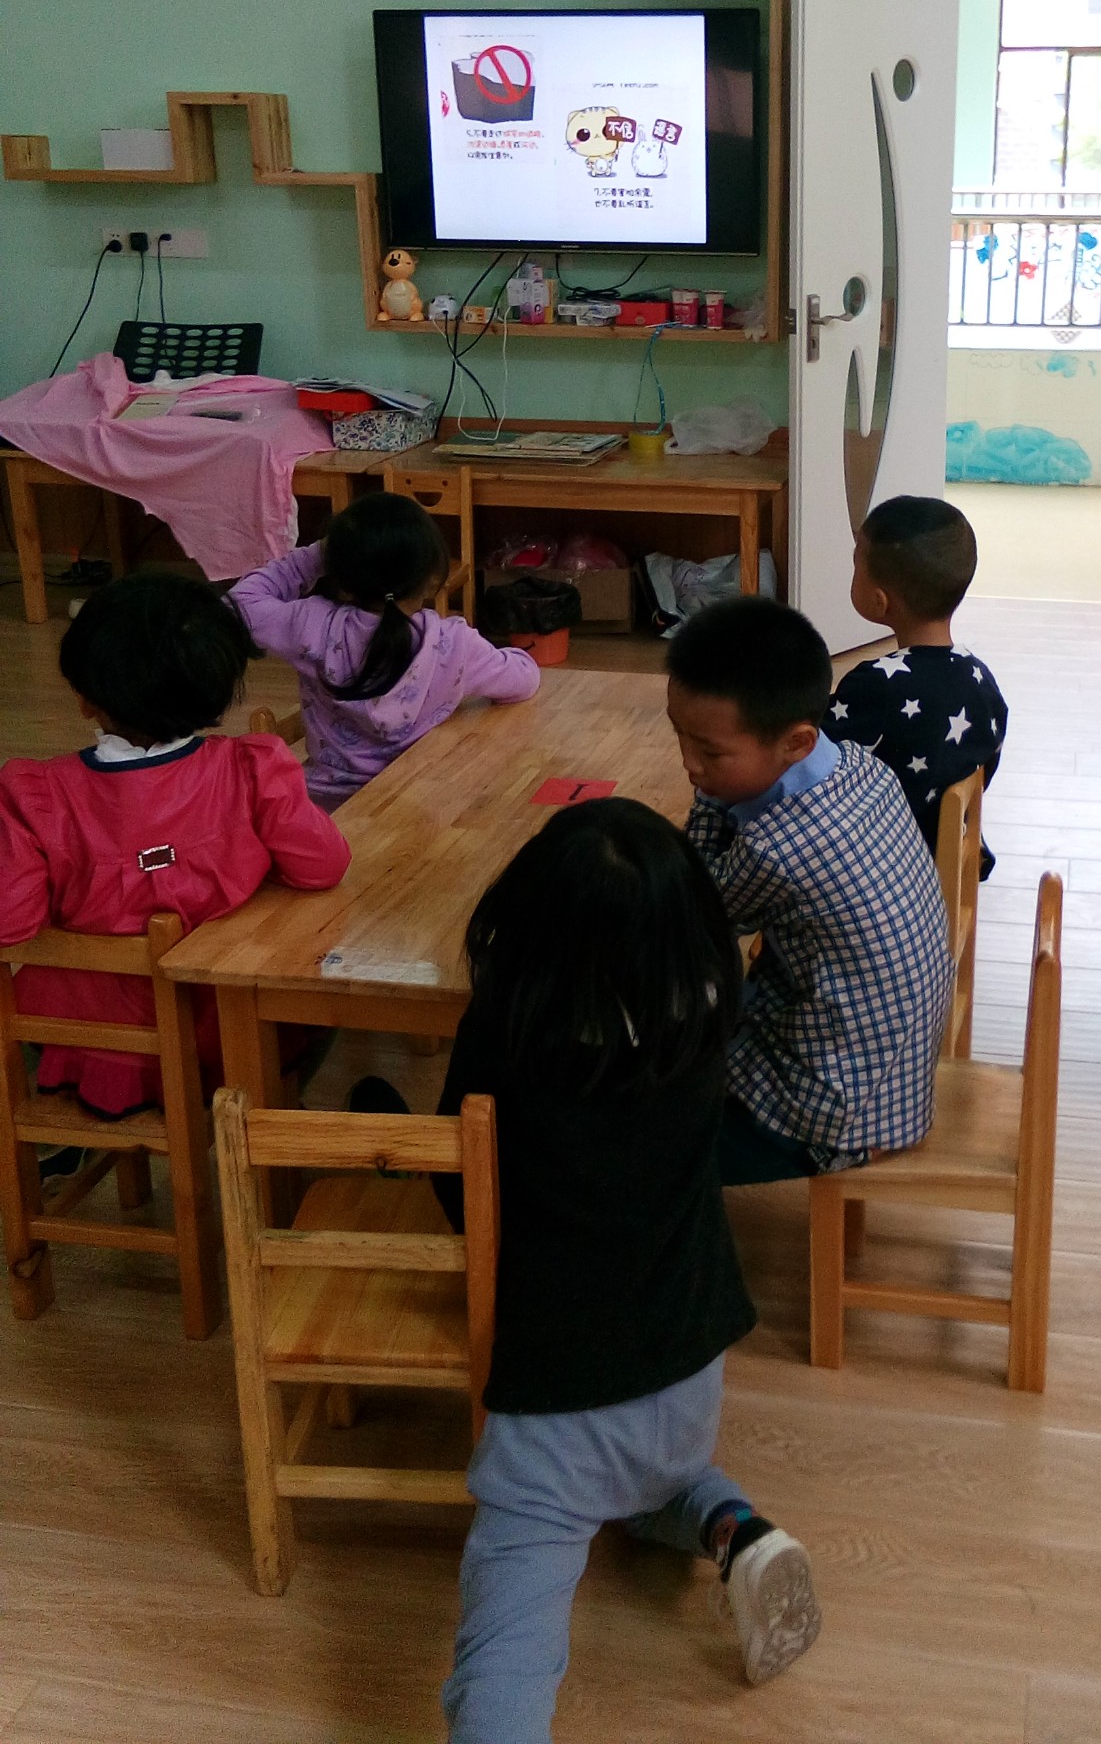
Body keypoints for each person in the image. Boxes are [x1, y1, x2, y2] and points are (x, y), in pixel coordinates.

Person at [433, 799, 819, 1741]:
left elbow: (460, 1185)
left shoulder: (506, 1030)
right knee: (651, 1485)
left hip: (559, 1396)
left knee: (510, 1636)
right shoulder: (705, 1012)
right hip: (688, 1371)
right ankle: (735, 1528)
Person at [0, 572, 350, 1119]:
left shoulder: (34, 794)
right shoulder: (252, 768)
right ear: (218, 691)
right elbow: (324, 866)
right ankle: (262, 1114)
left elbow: (11, 922)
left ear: (84, 699)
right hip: (228, 1030)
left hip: (91, 1037)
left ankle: (63, 1139)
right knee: (323, 991)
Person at [665, 597, 953, 1185]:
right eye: (680, 736)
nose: (689, 765)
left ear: (796, 742)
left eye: (710, 752)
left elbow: (693, 911)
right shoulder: (860, 766)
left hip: (833, 1116)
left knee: (634, 1147)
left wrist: (711, 802)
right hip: (891, 1071)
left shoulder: (777, 848)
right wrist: (720, 781)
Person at [230, 490, 538, 809]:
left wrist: (317, 555)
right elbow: (524, 680)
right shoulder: (453, 643)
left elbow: (238, 605)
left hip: (325, 809)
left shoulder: (311, 624)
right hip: (416, 807)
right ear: (432, 580)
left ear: (341, 580)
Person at [827, 494, 1009, 878]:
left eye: (856, 564)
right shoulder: (982, 681)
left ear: (880, 601)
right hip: (949, 858)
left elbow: (814, 760)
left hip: (884, 869)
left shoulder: (873, 687)